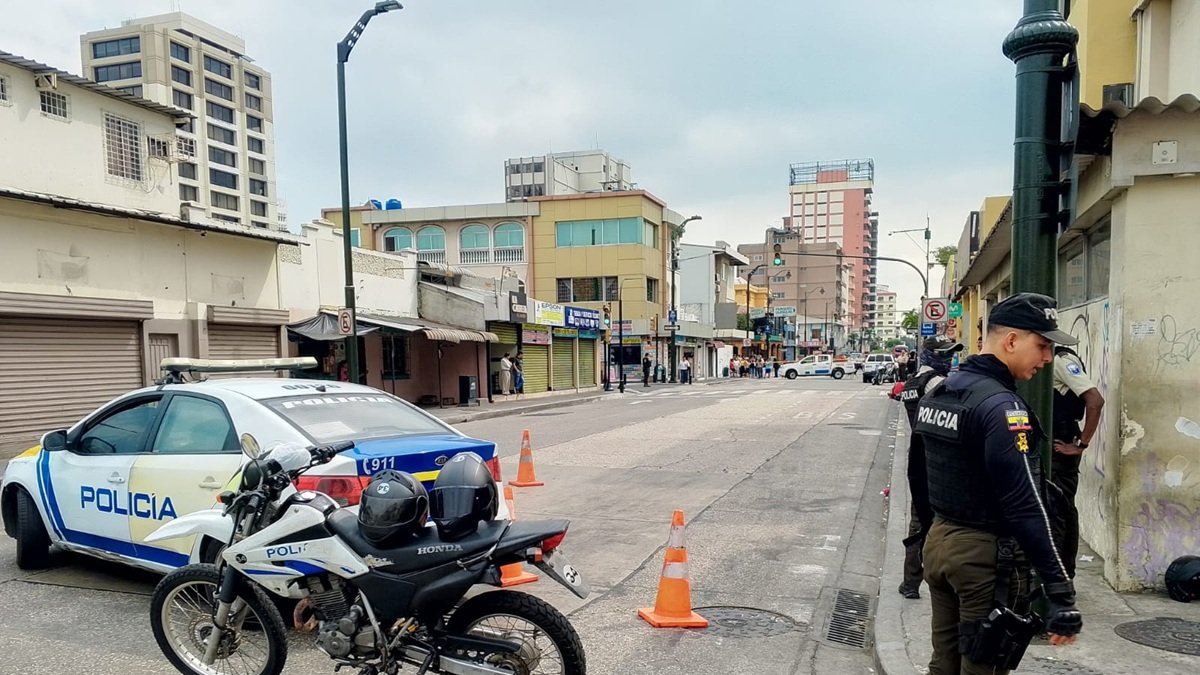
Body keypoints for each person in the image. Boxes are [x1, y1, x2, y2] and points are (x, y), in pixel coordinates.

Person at [915, 293, 1082, 675]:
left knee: (944, 664)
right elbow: (1026, 505)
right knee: (982, 667)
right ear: (1011, 341)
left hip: (940, 545)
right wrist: (1060, 592)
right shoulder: (1002, 408)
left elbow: (920, 477)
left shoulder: (942, 391)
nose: (1046, 359)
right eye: (1042, 346)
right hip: (983, 557)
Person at [897, 335, 965, 600]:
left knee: (919, 520)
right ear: (930, 355)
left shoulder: (911, 384)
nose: (949, 359)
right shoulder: (936, 383)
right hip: (938, 460)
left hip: (919, 458)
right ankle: (944, 578)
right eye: (944, 354)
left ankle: (910, 581)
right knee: (945, 520)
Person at [1050, 345, 1105, 579]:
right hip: (1057, 439)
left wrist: (1081, 443)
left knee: (1058, 510)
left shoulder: (1061, 359)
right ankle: (1063, 574)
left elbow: (1096, 400)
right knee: (1063, 509)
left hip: (1061, 441)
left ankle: (1059, 576)